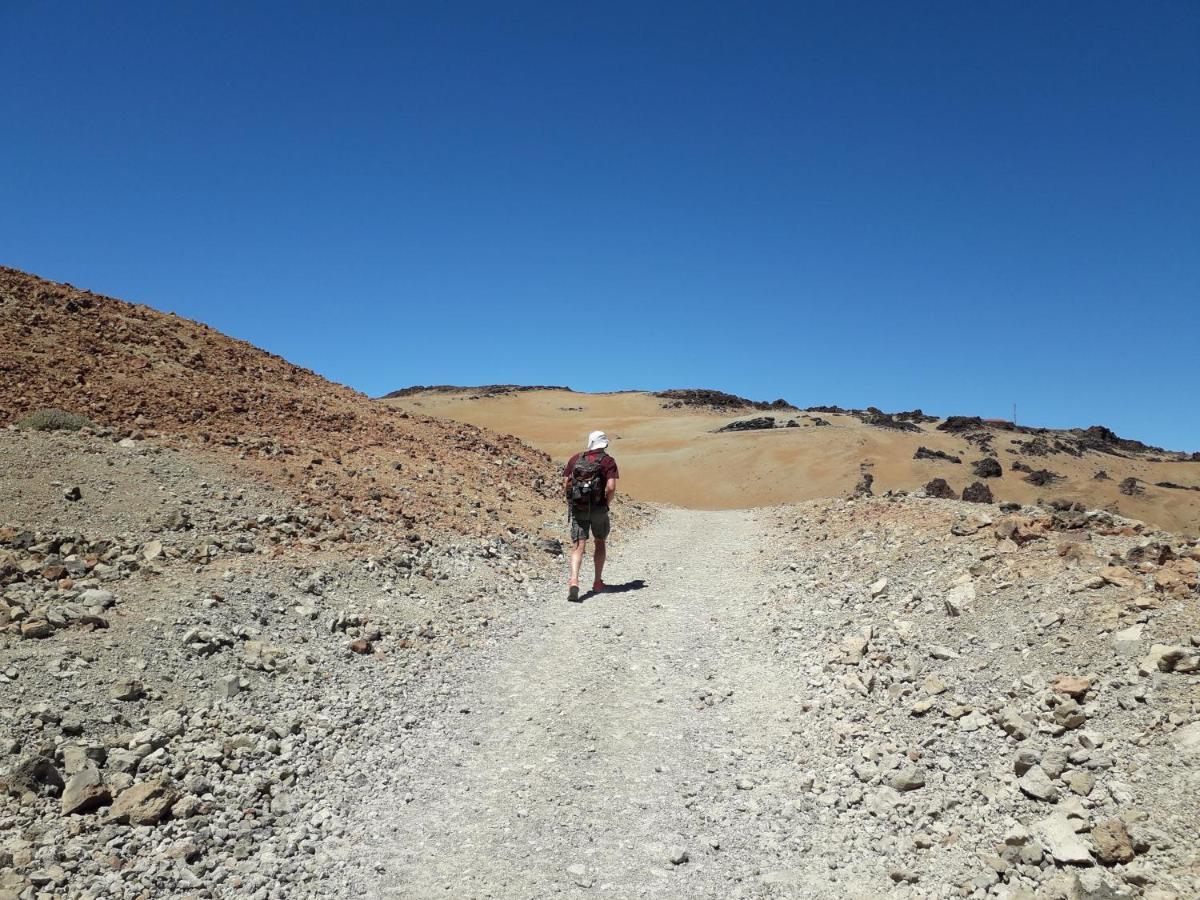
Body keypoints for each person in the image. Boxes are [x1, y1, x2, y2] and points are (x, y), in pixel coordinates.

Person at [562, 430, 619, 602]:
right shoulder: (608, 461)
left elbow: (565, 483)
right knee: (599, 541)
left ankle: (573, 580)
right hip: (599, 508)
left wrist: (573, 502)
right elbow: (610, 487)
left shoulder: (576, 459)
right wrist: (606, 503)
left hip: (579, 508)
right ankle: (597, 582)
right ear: (604, 444)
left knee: (579, 544)